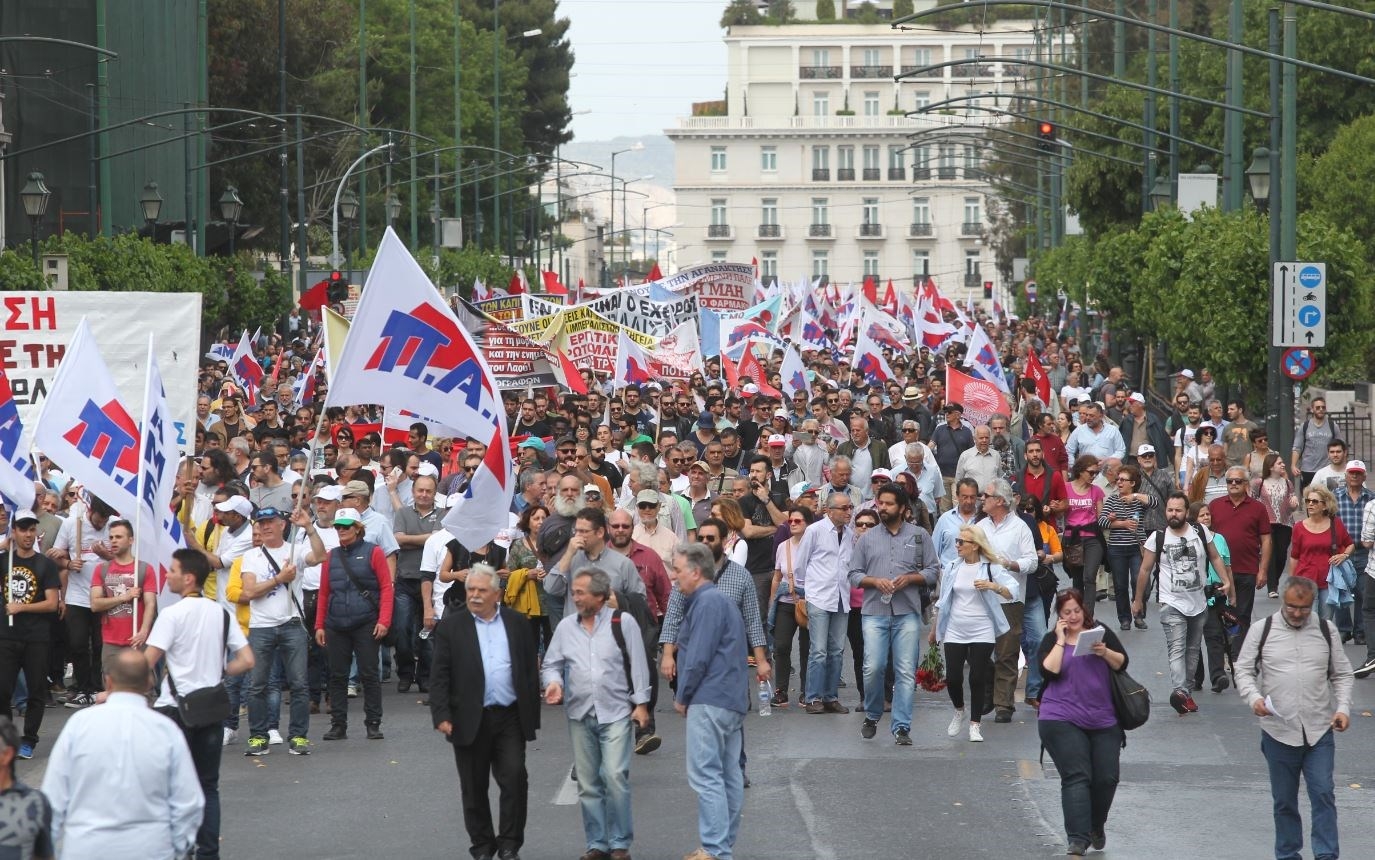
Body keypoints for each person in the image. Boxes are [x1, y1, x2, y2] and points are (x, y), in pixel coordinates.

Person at [144, 548, 255, 860]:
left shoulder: (171, 615)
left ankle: (179, 849)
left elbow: (147, 664)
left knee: (171, 786)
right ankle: (209, 853)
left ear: (188, 578)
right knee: (208, 786)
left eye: (173, 570)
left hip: (173, 709)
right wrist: (221, 670)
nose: (167, 574)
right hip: (210, 707)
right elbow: (247, 660)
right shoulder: (221, 613)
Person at [43, 649, 205, 860]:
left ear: (108, 682)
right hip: (151, 847)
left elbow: (53, 797)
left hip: (86, 846)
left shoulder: (79, 725)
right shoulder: (165, 730)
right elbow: (189, 802)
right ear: (149, 683)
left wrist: (47, 849)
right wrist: (174, 846)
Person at [1234, 576, 1353, 860]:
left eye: (1303, 608)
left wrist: (1343, 708)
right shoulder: (1262, 630)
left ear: (1312, 603)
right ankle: (1288, 854)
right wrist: (1254, 699)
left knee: (1323, 793)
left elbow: (1343, 674)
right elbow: (1243, 669)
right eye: (1291, 607)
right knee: (1284, 801)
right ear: (1283, 602)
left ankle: (1326, 854)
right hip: (1278, 731)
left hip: (1319, 730)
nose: (1297, 613)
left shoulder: (1327, 630)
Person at [430, 564, 541, 860]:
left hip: (509, 716)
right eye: (471, 590)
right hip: (468, 717)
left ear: (497, 594)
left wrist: (532, 713)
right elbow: (439, 674)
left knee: (515, 778)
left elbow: (529, 670)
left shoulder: (517, 623)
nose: (475, 596)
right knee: (473, 785)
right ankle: (482, 845)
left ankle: (509, 844)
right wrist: (441, 714)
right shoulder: (452, 626)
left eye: (481, 591)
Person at [541, 568, 651, 860]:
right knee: (589, 784)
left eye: (580, 592)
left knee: (614, 776)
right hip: (579, 713)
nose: (575, 597)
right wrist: (553, 682)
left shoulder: (622, 622)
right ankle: (597, 844)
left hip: (615, 712)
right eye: (573, 592)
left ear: (600, 596)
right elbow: (551, 663)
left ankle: (619, 843)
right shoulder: (566, 628)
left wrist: (641, 704)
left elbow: (638, 664)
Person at [669, 542, 749, 860]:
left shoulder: (707, 603)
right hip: (729, 698)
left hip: (709, 697)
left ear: (695, 571)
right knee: (728, 774)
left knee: (707, 775)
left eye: (677, 570)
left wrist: (682, 694)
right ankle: (721, 846)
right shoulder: (718, 601)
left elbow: (697, 656)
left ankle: (714, 849)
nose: (674, 578)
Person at [1038, 589, 1129, 857]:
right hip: (1060, 717)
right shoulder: (1050, 640)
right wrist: (1059, 640)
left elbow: (1122, 664)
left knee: (1107, 778)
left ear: (1084, 610)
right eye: (1067, 612)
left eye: (1077, 610)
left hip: (1102, 717)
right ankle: (1077, 839)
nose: (1073, 616)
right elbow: (1049, 671)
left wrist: (1104, 652)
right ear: (1059, 616)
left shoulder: (1100, 632)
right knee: (1077, 776)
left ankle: (1094, 826)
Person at [849, 483, 939, 744]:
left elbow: (933, 571)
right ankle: (873, 713)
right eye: (880, 503)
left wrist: (911, 578)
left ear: (902, 508)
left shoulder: (920, 536)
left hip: (907, 612)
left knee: (905, 671)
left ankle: (901, 726)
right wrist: (875, 582)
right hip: (874, 611)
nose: (883, 508)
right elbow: (853, 574)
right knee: (873, 667)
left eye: (888, 504)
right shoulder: (866, 538)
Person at [1131, 494, 1231, 715]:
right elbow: (1145, 570)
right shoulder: (1157, 538)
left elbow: (1215, 557)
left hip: (1198, 602)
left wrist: (1225, 581)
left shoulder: (1199, 532)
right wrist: (1138, 600)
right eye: (1169, 510)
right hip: (1171, 602)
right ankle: (1180, 691)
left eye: (1177, 510)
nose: (1173, 514)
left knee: (1193, 650)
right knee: (1177, 648)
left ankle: (1185, 692)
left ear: (1187, 512)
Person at [235, 507, 311, 757]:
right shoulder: (252, 556)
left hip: (292, 623)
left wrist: (309, 528)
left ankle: (298, 736)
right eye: (261, 523)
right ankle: (258, 736)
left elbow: (320, 556)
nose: (265, 526)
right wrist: (279, 578)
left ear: (282, 524)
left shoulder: (295, 550)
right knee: (257, 685)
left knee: (299, 684)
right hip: (261, 626)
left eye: (270, 522)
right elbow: (249, 592)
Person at [314, 507, 393, 741]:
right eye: (338, 527)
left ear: (358, 529)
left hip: (365, 621)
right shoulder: (331, 556)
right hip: (336, 623)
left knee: (369, 673)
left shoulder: (374, 552)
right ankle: (338, 724)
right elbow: (324, 592)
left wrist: (384, 620)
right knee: (337, 675)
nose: (341, 530)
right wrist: (320, 625)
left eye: (345, 526)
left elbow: (386, 588)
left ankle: (373, 722)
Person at [935, 525, 1017, 742]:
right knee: (952, 677)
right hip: (955, 627)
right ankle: (959, 710)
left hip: (982, 628)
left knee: (977, 677)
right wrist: (935, 629)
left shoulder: (990, 567)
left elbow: (1012, 591)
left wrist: (993, 586)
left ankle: (975, 724)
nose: (957, 545)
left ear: (975, 546)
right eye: (957, 541)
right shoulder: (952, 566)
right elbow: (943, 601)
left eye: (962, 542)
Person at [0, 510, 61, 759]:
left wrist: (21, 606)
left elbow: (52, 603)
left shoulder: (45, 564)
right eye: (23, 529)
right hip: (7, 635)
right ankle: (6, 739)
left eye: (31, 529)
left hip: (37, 636)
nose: (28, 534)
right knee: (3, 690)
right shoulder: (4, 561)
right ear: (14, 532)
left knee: (36, 691)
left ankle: (29, 739)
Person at [794, 491, 856, 714]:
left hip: (842, 596)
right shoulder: (814, 531)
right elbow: (800, 564)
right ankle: (813, 698)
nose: (849, 512)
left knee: (837, 650)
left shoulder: (849, 534)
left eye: (850, 507)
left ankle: (830, 697)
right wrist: (807, 591)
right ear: (829, 511)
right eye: (844, 508)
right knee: (818, 650)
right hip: (819, 596)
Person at [1209, 466, 1272, 656]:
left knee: (1242, 614)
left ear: (1246, 484)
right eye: (1230, 481)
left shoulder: (1258, 508)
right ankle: (1221, 654)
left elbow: (1266, 540)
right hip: (1218, 572)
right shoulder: (1215, 505)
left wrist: (1263, 570)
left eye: (1238, 481)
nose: (1234, 484)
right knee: (1219, 615)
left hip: (1247, 569)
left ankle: (1237, 656)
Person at [1098, 465, 1158, 631]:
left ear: (1132, 483)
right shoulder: (1112, 499)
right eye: (1118, 479)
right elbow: (1101, 522)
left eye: (1123, 480)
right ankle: (1124, 618)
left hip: (1137, 548)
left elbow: (1155, 503)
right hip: (1117, 549)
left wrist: (1136, 496)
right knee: (1120, 585)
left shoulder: (1139, 500)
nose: (1119, 483)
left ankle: (1138, 615)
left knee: (1138, 581)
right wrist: (1121, 523)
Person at [1287, 485, 1354, 621]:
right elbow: (1294, 557)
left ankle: (1323, 642)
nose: (1310, 504)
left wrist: (1344, 555)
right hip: (1305, 579)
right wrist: (1291, 583)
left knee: (1325, 621)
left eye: (1315, 501)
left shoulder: (1336, 524)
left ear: (1325, 506)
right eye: (1308, 501)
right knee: (1307, 621)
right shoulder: (1299, 527)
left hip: (1328, 581)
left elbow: (1350, 544)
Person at [768, 506, 813, 707]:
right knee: (781, 646)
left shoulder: (814, 546)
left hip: (808, 603)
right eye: (790, 521)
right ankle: (781, 690)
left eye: (798, 521)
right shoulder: (782, 546)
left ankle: (806, 690)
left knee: (807, 647)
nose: (793, 524)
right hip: (785, 602)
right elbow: (777, 576)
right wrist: (772, 602)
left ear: (808, 524)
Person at [1251, 453, 1298, 599]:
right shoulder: (1259, 483)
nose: (1283, 465)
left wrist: (1294, 504)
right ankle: (1272, 587)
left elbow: (1292, 502)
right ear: (1271, 466)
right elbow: (1253, 500)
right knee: (1270, 554)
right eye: (1279, 463)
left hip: (1285, 523)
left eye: (1283, 462)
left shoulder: (1288, 483)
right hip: (1266, 523)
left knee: (1282, 554)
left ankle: (1275, 580)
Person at [1062, 456, 1106, 596]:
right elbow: (1059, 514)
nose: (1094, 476)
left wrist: (1109, 518)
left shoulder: (1096, 490)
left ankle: (1089, 616)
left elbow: (1101, 517)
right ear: (1080, 471)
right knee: (1077, 579)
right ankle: (1079, 612)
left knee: (1089, 577)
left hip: (1092, 537)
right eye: (1091, 472)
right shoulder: (1066, 488)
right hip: (1072, 538)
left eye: (1096, 473)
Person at [1290, 397, 1333, 489]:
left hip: (1327, 469)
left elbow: (1340, 447)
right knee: (1310, 499)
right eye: (1318, 407)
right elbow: (1297, 447)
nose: (1321, 409)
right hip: (1308, 470)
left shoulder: (1332, 426)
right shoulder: (1305, 426)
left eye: (1323, 407)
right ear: (1312, 409)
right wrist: (1293, 465)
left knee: (1328, 498)